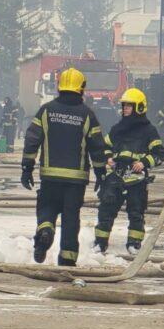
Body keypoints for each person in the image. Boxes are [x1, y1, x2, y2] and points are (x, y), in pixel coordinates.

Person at [21, 68, 107, 266]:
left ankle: (45, 230)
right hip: (76, 181)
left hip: (50, 176)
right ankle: (67, 259)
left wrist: (27, 167)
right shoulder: (87, 115)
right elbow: (97, 145)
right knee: (71, 219)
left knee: (47, 207)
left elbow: (32, 139)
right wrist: (101, 172)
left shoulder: (46, 110)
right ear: (81, 88)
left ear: (60, 85)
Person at [94, 88, 164, 255]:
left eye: (128, 106)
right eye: (124, 106)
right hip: (117, 176)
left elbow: (159, 153)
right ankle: (100, 242)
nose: (124, 109)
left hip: (137, 178)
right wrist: (109, 158)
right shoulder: (117, 128)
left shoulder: (149, 131)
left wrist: (144, 163)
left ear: (139, 108)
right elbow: (105, 147)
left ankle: (134, 244)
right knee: (106, 209)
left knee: (136, 212)